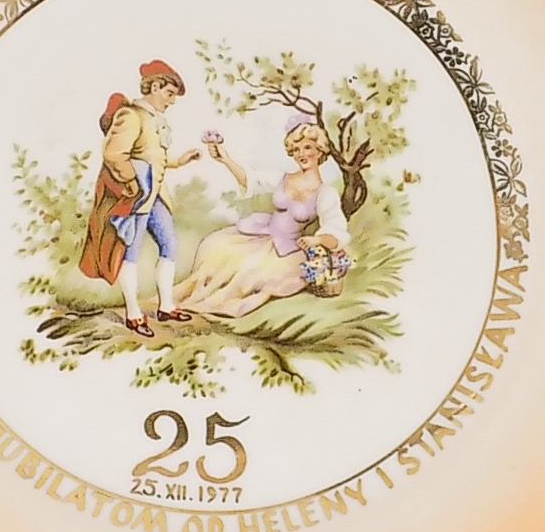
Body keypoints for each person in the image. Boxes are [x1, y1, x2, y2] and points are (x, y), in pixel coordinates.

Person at [173, 118, 350, 319]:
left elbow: (335, 229)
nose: (302, 154)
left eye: (307, 147)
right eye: (296, 149)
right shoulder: (284, 178)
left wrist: (317, 240)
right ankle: (188, 299)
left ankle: (221, 305)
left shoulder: (325, 193)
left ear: (320, 150)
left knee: (251, 272)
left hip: (288, 249)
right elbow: (251, 181)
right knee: (216, 247)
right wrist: (226, 160)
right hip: (263, 235)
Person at [78, 59, 200, 337]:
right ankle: (133, 314)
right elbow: (113, 154)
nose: (171, 101)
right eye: (169, 93)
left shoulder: (153, 119)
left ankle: (166, 307)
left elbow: (153, 156)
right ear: (154, 87)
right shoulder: (131, 115)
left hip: (155, 194)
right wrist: (132, 182)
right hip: (135, 195)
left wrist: (179, 161)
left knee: (170, 245)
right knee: (130, 253)